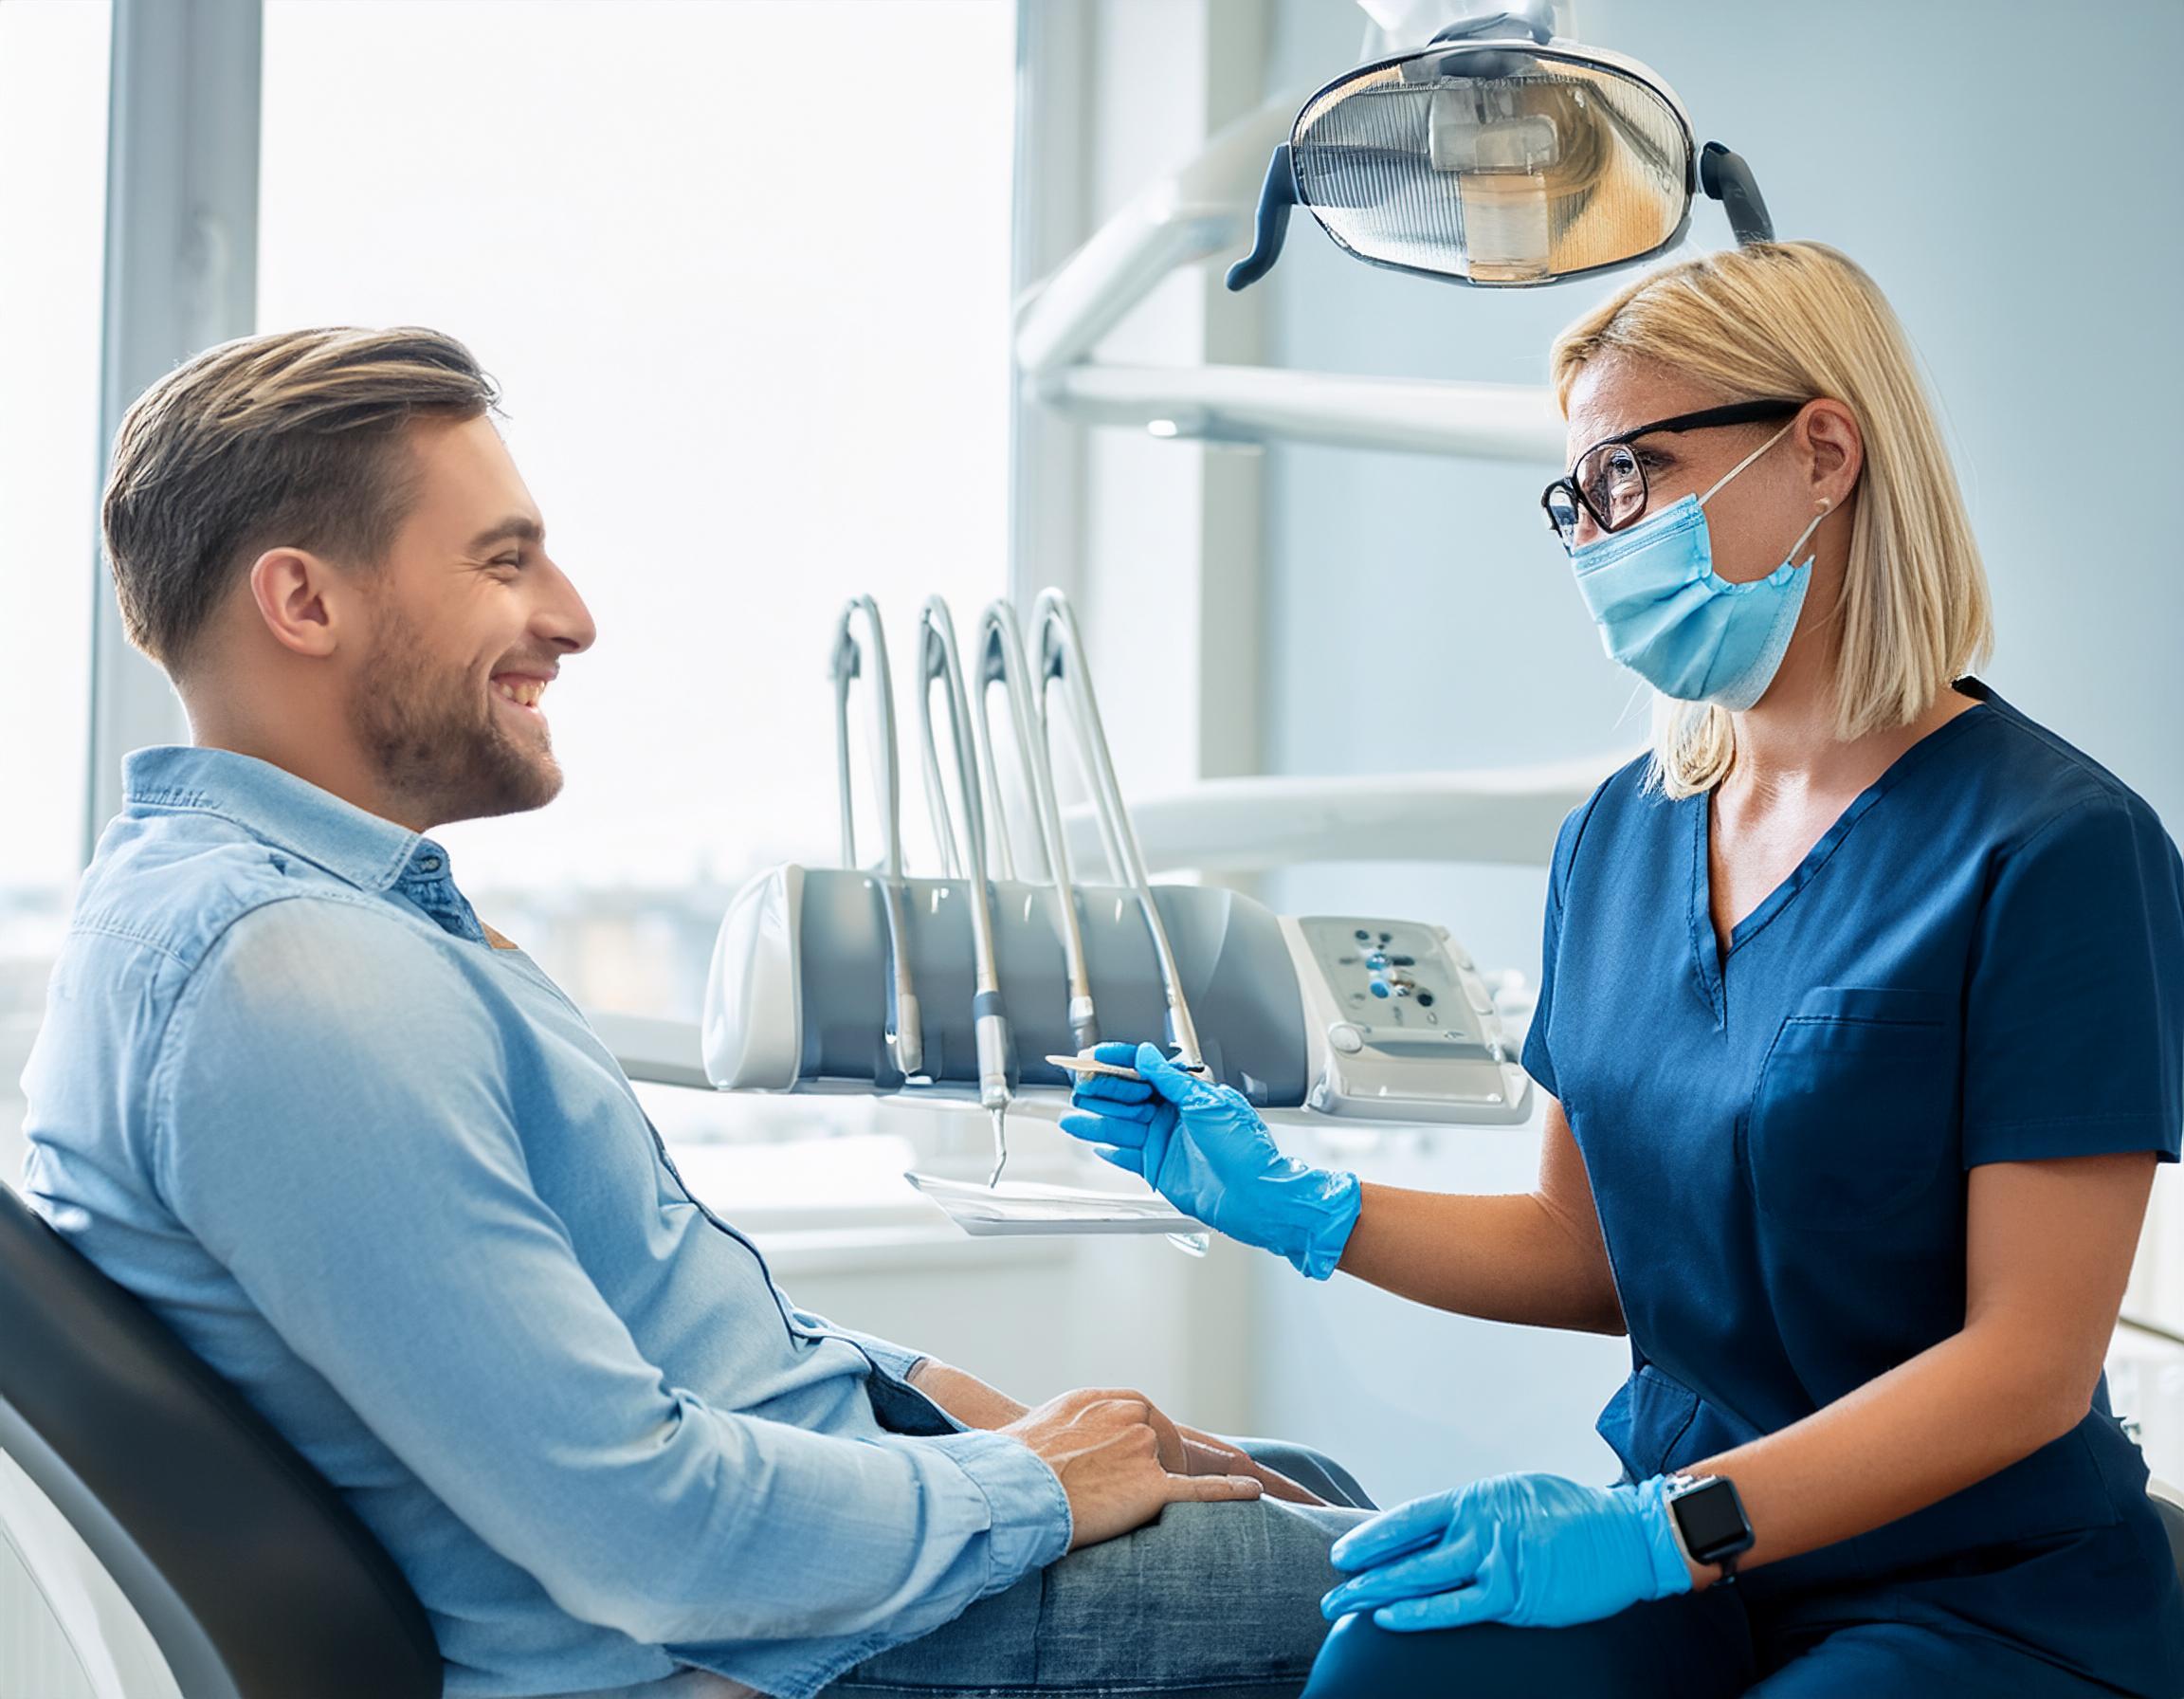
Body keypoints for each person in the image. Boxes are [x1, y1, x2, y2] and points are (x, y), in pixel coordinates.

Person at [19, 326, 1379, 1699]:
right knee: (1456, 1616)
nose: (572, 618)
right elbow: (645, 1534)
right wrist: (1027, 1483)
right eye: (503, 561)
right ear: (304, 602)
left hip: (782, 1578)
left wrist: (948, 1409)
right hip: (752, 1648)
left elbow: (660, 1336)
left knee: (1318, 1488)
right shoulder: (291, 980)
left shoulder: (298, 918)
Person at [1061, 241, 2184, 1698]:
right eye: (1573, 501)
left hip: (1974, 1590)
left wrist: (1670, 1531)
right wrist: (1304, 1209)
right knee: (1388, 1670)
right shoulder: (1619, 837)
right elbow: (1580, 1249)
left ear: (1823, 452)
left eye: (1630, 475)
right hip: (1694, 1565)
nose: (1595, 537)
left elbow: (2026, 1368)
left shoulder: (2057, 848)